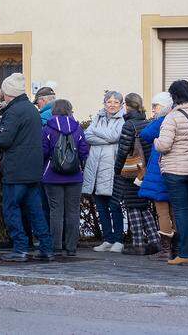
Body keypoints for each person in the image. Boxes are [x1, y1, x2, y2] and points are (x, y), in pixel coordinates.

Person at [0, 72, 53, 262]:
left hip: (16, 170)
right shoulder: (31, 109)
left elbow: (5, 139)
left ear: (9, 93)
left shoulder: (14, 111)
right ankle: (46, 248)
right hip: (32, 169)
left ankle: (20, 248)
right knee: (35, 210)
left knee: (11, 208)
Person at [154, 79, 188, 265]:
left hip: (176, 170)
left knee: (181, 212)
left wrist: (155, 141)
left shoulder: (172, 117)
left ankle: (184, 254)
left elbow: (164, 145)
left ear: (175, 96)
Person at [112, 93, 159, 255]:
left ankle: (138, 244)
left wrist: (117, 169)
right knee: (144, 206)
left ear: (127, 106)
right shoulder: (147, 122)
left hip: (131, 171)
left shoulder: (129, 125)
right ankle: (155, 240)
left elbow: (123, 150)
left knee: (132, 207)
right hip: (145, 170)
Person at [42, 99, 89, 256]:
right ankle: (71, 248)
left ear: (53, 111)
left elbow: (43, 151)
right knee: (73, 212)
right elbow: (84, 152)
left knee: (55, 211)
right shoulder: (78, 129)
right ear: (69, 110)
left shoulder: (47, 129)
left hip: (51, 176)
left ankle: (56, 246)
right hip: (75, 176)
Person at [83, 91, 126, 252]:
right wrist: (107, 138)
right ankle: (107, 239)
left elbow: (116, 136)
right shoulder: (98, 117)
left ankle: (119, 240)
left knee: (114, 205)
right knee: (101, 206)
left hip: (112, 167)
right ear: (104, 103)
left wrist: (98, 133)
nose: (112, 105)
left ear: (121, 104)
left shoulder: (122, 118)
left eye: (116, 102)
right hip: (96, 167)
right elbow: (87, 135)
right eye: (109, 102)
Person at [138, 92, 176, 258]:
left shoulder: (161, 121)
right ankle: (178, 247)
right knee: (176, 211)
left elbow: (145, 135)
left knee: (162, 211)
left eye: (156, 106)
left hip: (159, 172)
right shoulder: (178, 119)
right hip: (176, 171)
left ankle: (166, 249)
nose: (153, 109)